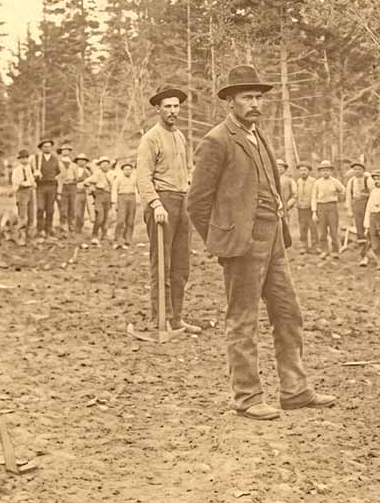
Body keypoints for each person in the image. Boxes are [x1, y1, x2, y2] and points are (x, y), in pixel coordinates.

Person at [188, 65, 336, 420]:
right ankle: (246, 396)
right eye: (247, 97)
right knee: (243, 319)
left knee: (288, 313)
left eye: (258, 97)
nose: (255, 104)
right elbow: (196, 202)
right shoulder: (217, 140)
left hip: (274, 241)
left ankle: (295, 389)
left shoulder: (258, 135)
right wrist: (221, 240)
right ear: (230, 101)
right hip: (242, 244)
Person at [135, 86, 198, 337]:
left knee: (181, 266)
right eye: (168, 106)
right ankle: (159, 319)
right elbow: (142, 176)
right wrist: (156, 204)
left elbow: (186, 171)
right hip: (162, 203)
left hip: (182, 202)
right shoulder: (151, 138)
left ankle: (176, 319)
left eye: (176, 106)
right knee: (161, 264)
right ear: (158, 109)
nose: (173, 111)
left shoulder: (180, 137)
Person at [310, 160, 346, 258]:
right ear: (320, 172)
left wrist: (338, 196)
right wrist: (314, 212)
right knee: (322, 231)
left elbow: (343, 190)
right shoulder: (317, 183)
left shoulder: (334, 181)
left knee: (333, 230)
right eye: (323, 170)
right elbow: (313, 197)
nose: (325, 172)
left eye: (327, 170)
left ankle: (335, 251)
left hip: (332, 207)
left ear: (331, 171)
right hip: (321, 207)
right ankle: (324, 250)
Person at [345, 161, 375, 266]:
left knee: (370, 228)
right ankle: (363, 254)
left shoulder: (368, 179)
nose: (357, 171)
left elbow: (373, 194)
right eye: (355, 169)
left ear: (363, 170)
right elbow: (348, 196)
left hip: (367, 205)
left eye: (359, 169)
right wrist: (349, 209)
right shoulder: (351, 181)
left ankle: (372, 249)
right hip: (356, 205)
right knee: (359, 229)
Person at [32, 139, 61, 238]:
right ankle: (40, 229)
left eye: (49, 146)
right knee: (40, 208)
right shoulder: (36, 158)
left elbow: (58, 171)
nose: (47, 148)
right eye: (45, 146)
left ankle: (48, 229)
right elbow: (31, 170)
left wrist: (52, 178)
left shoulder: (55, 158)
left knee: (50, 209)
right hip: (41, 186)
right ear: (41, 148)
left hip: (52, 186)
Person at [9, 149, 36, 245]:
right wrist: (26, 183)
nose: (24, 160)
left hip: (30, 192)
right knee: (22, 216)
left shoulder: (30, 168)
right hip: (21, 192)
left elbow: (33, 180)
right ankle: (20, 237)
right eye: (22, 158)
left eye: (26, 158)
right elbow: (16, 183)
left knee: (31, 215)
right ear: (19, 159)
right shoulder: (16, 170)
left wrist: (34, 182)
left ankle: (30, 237)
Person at [85, 156, 113, 245]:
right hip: (99, 195)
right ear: (99, 165)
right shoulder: (97, 174)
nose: (105, 166)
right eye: (102, 164)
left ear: (109, 165)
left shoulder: (112, 174)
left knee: (106, 217)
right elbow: (86, 182)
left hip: (108, 195)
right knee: (99, 216)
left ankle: (104, 235)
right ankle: (94, 235)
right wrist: (92, 189)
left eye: (106, 164)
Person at [111, 161, 137, 249]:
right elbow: (114, 190)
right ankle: (118, 239)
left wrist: (138, 200)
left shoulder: (134, 178)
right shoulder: (118, 179)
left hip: (132, 198)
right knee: (121, 220)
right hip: (121, 198)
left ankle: (128, 239)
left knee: (130, 221)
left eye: (130, 169)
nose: (128, 171)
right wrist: (114, 202)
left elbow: (137, 189)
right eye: (126, 169)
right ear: (122, 170)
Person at [293, 162, 315, 254]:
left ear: (309, 171)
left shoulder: (314, 181)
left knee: (313, 227)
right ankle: (303, 246)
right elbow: (295, 194)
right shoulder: (298, 182)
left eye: (305, 170)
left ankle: (315, 246)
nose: (303, 172)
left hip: (311, 208)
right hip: (301, 208)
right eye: (301, 170)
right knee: (302, 227)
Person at [57, 142, 76, 232]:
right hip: (62, 187)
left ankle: (71, 225)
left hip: (72, 187)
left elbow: (77, 177)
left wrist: (73, 180)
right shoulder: (58, 162)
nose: (65, 151)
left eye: (67, 150)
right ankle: (63, 225)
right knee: (63, 207)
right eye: (64, 150)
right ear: (61, 151)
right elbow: (55, 175)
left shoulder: (73, 164)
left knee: (72, 207)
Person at [70, 153, 91, 234]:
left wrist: (86, 184)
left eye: (84, 161)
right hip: (74, 192)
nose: (82, 162)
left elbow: (90, 181)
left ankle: (79, 228)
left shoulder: (87, 172)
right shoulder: (73, 169)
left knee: (81, 211)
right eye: (80, 160)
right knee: (75, 211)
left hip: (84, 193)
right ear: (77, 161)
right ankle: (73, 227)